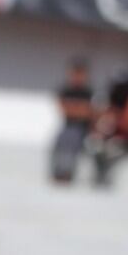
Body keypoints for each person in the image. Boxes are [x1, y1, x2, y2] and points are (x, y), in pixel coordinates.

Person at [50, 58, 96, 186]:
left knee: (73, 143)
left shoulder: (88, 92)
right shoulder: (66, 90)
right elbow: (65, 109)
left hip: (82, 130)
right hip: (68, 127)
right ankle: (58, 173)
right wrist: (79, 109)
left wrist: (78, 110)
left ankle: (67, 174)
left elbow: (90, 112)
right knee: (61, 142)